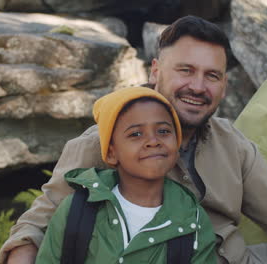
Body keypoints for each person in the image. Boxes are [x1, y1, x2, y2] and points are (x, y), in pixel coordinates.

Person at [0, 15, 267, 264]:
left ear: (224, 84)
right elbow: (36, 225)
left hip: (232, 257)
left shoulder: (231, 145)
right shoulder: (106, 140)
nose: (198, 86)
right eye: (186, 71)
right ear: (156, 70)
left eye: (212, 75)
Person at [35, 86, 217, 263]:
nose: (153, 141)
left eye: (163, 131)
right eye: (136, 134)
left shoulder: (194, 221)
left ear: (176, 145)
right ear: (111, 153)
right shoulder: (77, 210)